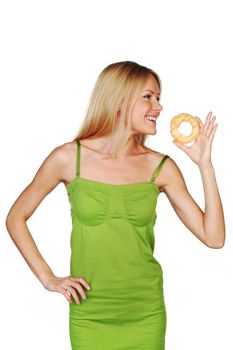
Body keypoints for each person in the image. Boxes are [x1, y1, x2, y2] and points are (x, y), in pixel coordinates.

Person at [5, 61, 225, 350]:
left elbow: (214, 237)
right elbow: (16, 217)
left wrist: (204, 165)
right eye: (148, 97)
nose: (158, 107)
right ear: (119, 99)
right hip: (90, 311)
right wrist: (48, 278)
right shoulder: (69, 158)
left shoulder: (160, 167)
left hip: (145, 310)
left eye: (158, 98)